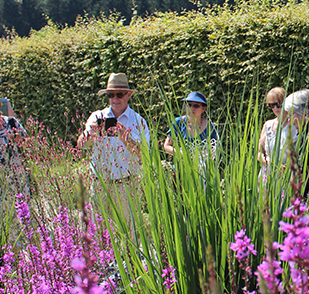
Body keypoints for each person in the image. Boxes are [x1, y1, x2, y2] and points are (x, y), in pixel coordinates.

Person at [77, 73, 150, 232]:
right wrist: (92, 133)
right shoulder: (97, 116)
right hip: (100, 184)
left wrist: (124, 137)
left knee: (129, 232)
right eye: (110, 95)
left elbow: (144, 155)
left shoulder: (138, 121)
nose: (115, 99)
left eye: (119, 94)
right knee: (100, 234)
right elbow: (81, 144)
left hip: (126, 184)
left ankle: (129, 258)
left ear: (128, 94)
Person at [163, 91, 219, 167]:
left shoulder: (210, 127)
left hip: (202, 170)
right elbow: (167, 145)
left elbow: (214, 151)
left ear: (203, 109)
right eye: (189, 105)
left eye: (196, 106)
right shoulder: (178, 123)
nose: (191, 108)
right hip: (181, 169)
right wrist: (181, 154)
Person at [257, 87, 286, 178]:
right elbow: (259, 152)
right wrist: (267, 162)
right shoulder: (267, 125)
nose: (275, 108)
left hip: (286, 175)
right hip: (267, 174)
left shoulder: (295, 125)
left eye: (278, 104)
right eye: (271, 105)